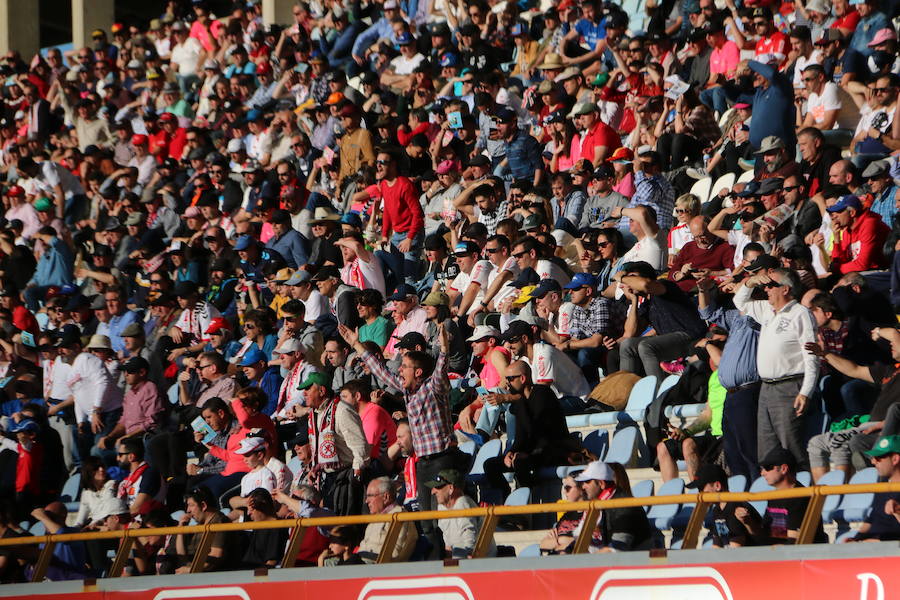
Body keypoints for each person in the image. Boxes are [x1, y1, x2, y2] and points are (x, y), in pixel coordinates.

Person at [734, 268, 819, 470]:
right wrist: (750, 282)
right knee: (767, 451)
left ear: (786, 289)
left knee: (791, 447)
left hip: (790, 386)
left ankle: (806, 496)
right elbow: (739, 302)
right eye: (765, 286)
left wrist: (806, 392)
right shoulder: (766, 309)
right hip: (766, 388)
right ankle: (777, 500)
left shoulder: (801, 313)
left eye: (771, 285)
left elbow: (811, 356)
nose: (766, 289)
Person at [570, 460, 652, 552]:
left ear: (601, 484)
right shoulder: (596, 504)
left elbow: (617, 548)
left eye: (587, 482)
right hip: (610, 562)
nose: (583, 486)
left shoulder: (624, 505)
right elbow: (578, 541)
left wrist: (589, 561)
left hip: (635, 562)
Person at [688, 464, 761, 548]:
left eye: (701, 488)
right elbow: (716, 545)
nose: (700, 493)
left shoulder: (735, 507)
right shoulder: (717, 510)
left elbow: (736, 550)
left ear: (717, 486)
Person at [428, 469, 496, 559]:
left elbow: (469, 538)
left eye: (438, 487)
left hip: (480, 559)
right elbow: (447, 542)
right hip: (461, 554)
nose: (433, 492)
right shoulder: (442, 506)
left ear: (451, 488)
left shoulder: (463, 503)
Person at [846, 435, 900, 541]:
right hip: (873, 548)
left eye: (878, 458)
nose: (873, 462)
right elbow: (871, 519)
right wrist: (855, 539)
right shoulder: (882, 485)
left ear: (895, 459)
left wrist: (898, 512)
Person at [356, 477, 417, 563]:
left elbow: (395, 553)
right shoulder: (375, 518)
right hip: (361, 562)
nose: (366, 501)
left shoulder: (399, 516)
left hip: (379, 567)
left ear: (386, 497)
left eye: (370, 496)